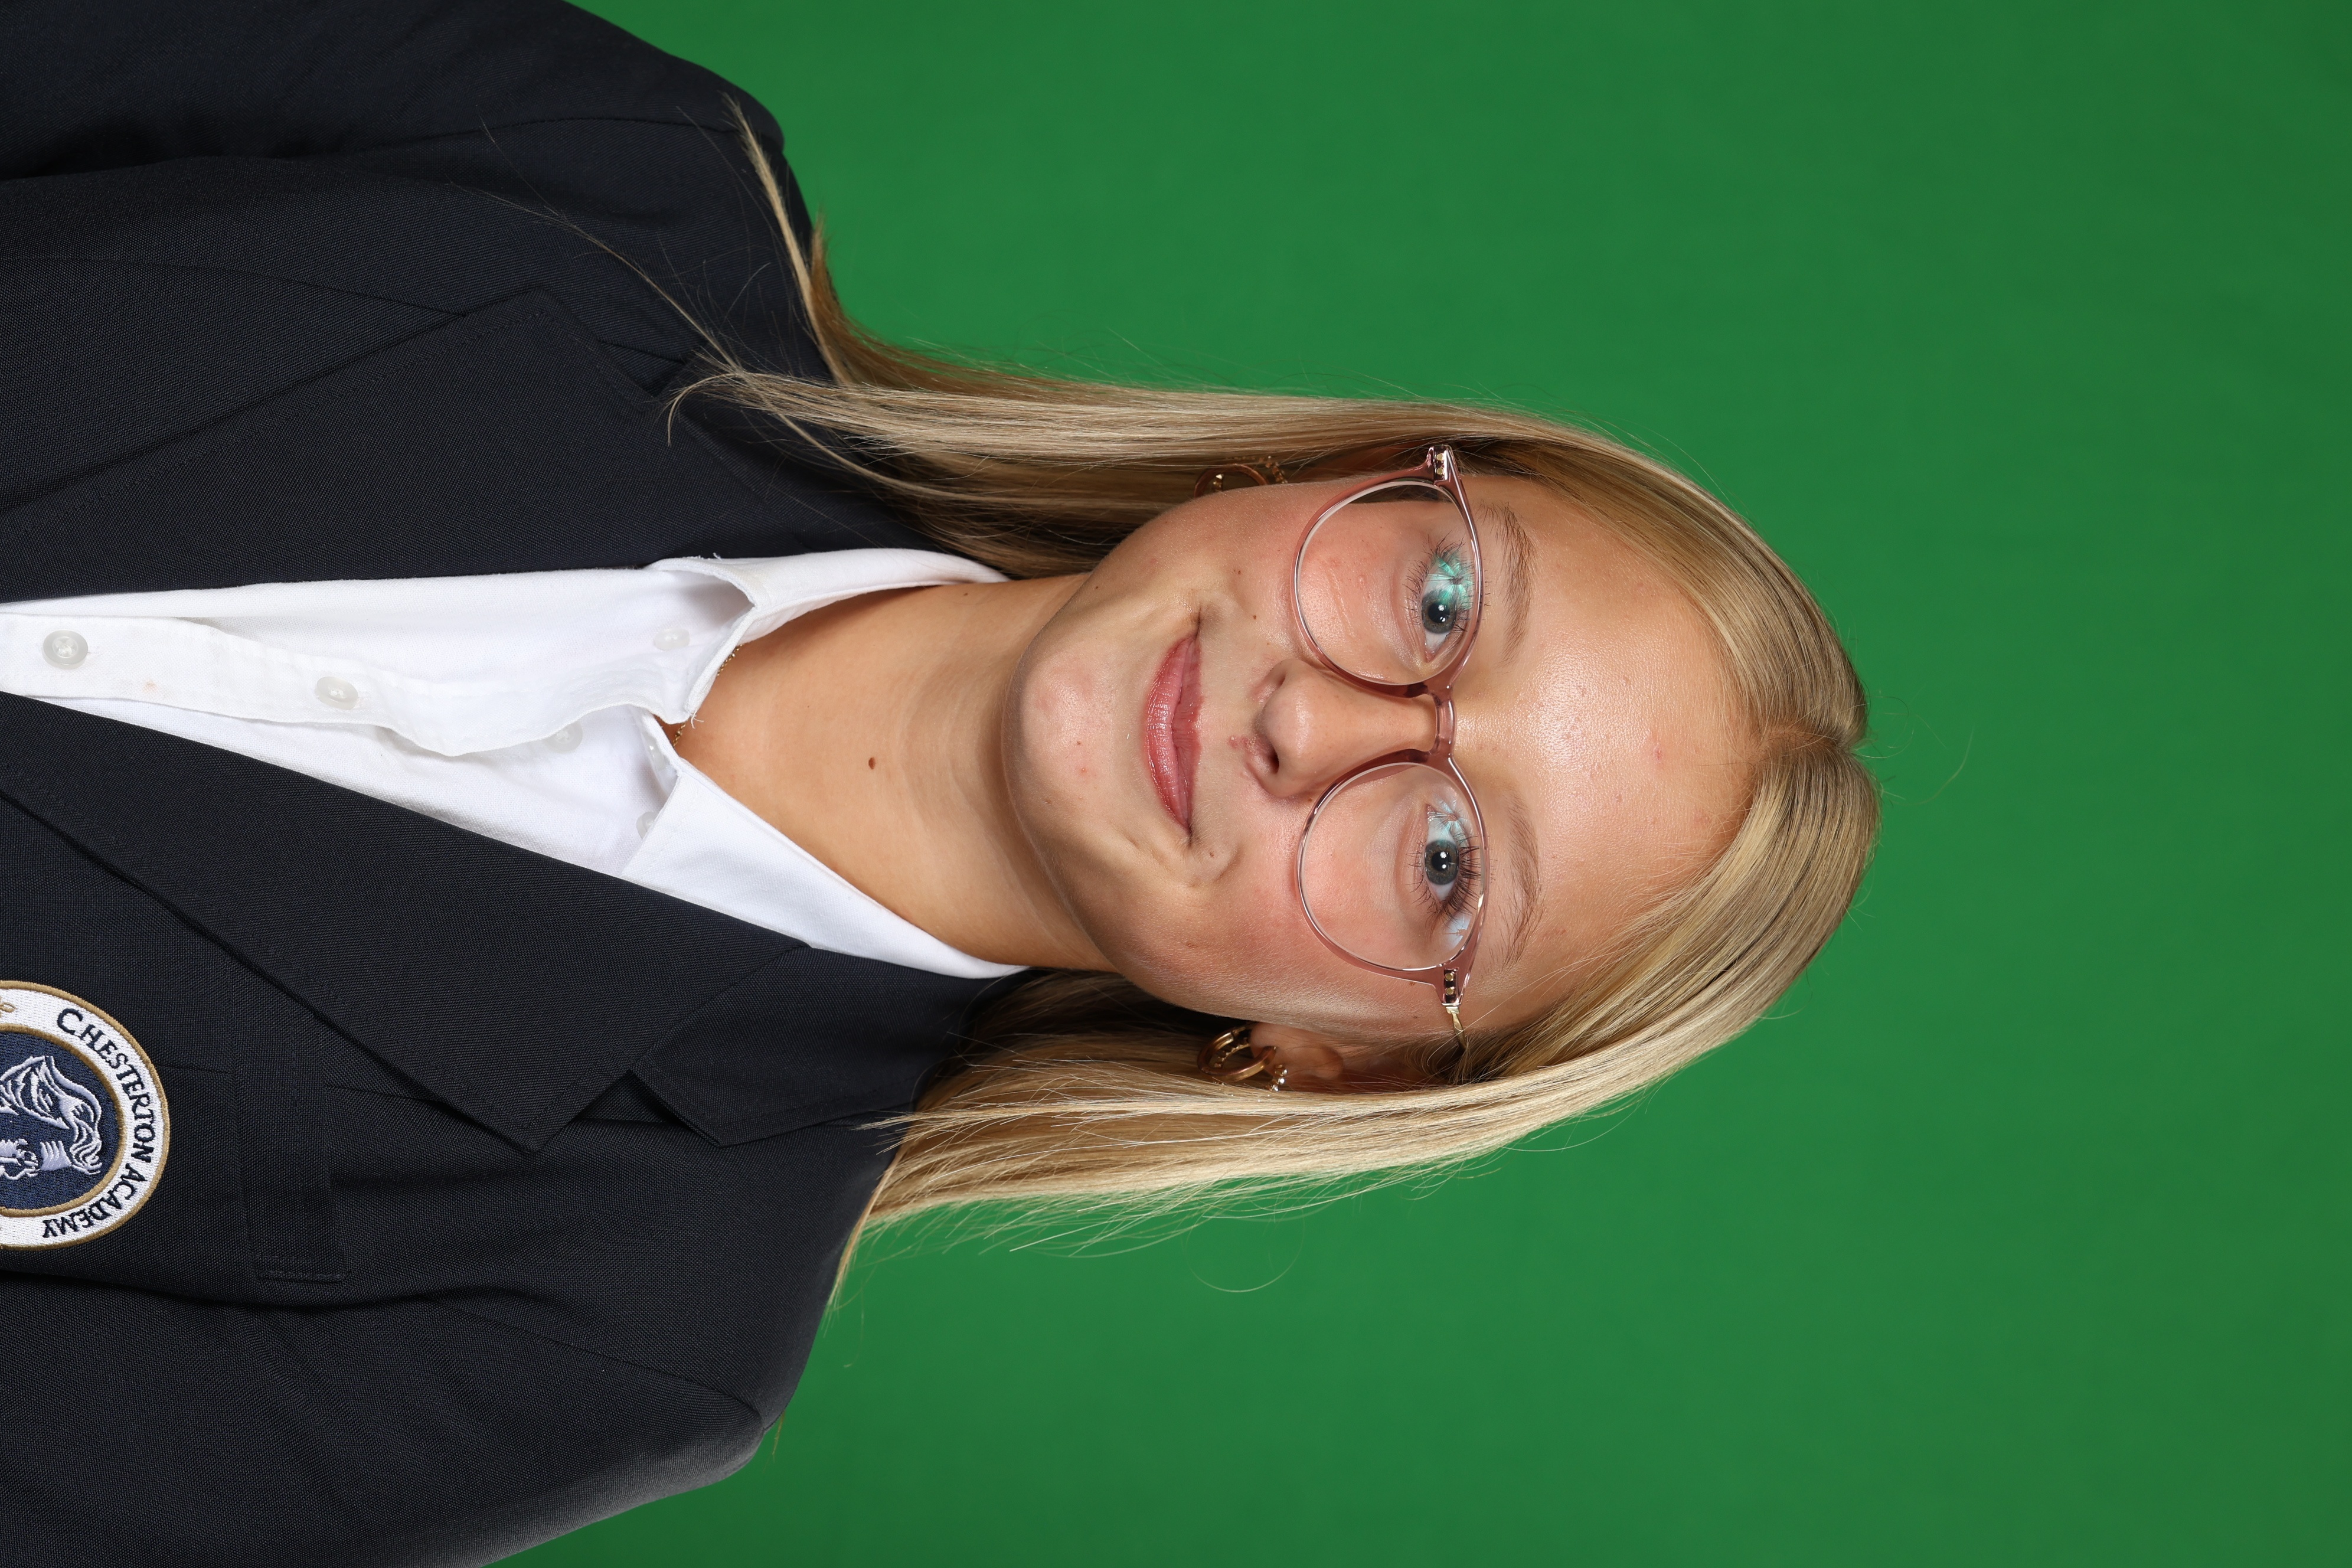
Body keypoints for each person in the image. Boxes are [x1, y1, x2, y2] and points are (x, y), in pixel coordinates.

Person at [0, 1, 1876, 1562]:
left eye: (1446, 859)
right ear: (1347, 472)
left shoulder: (612, 1329)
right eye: (1441, 602)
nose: (1317, 727)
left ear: (1337, 1061)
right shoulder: (605, 162)